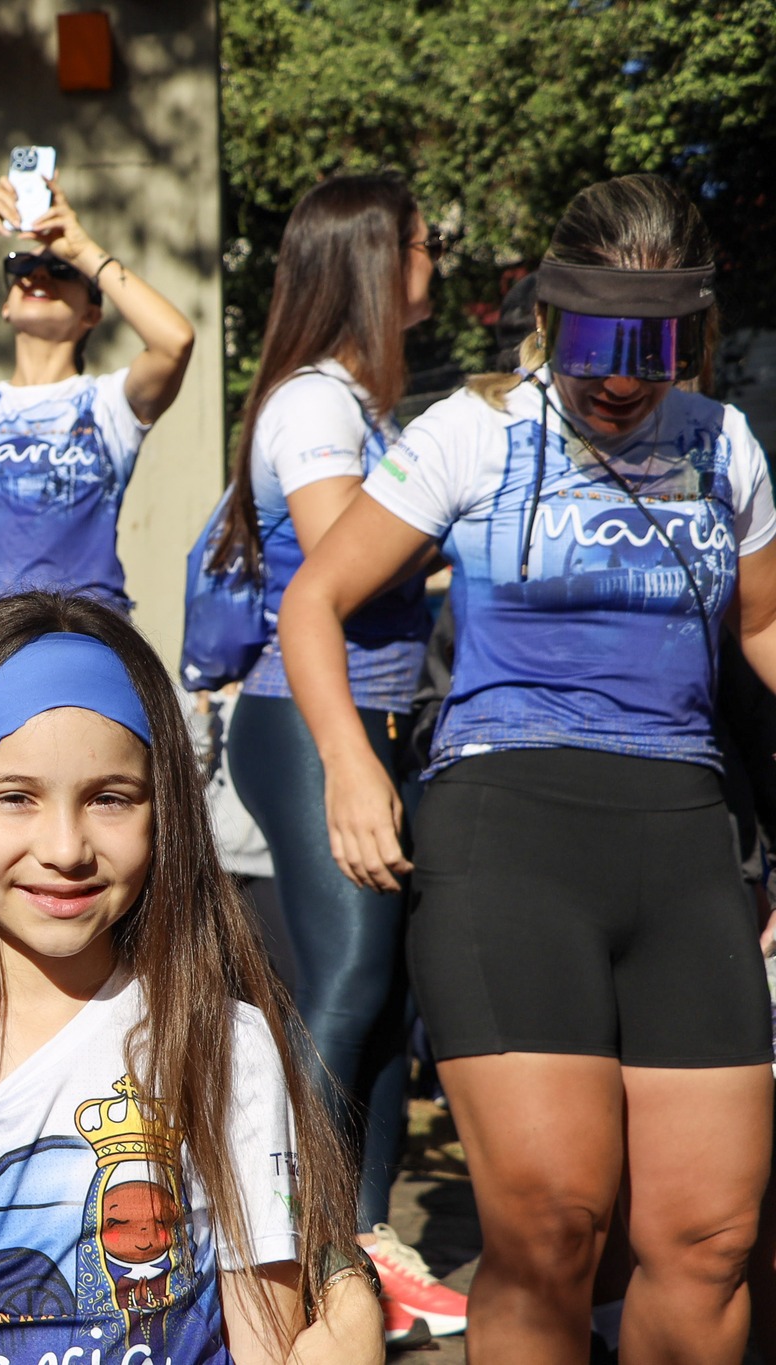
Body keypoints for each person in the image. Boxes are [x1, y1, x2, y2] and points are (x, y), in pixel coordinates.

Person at [280, 173, 775, 1364]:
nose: (620, 380)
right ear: (548, 317)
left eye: (654, 349)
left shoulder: (723, 445)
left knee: (706, 1238)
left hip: (685, 840)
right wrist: (348, 765)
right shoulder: (475, 430)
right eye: (596, 344)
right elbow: (313, 600)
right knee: (550, 1227)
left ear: (691, 336)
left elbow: (761, 625)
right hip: (508, 833)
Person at [0, 593, 381, 1365]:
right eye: (15, 797)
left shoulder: (221, 1048)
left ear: (163, 811)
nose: (66, 847)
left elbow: (265, 1342)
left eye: (109, 798)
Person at [208, 175, 462, 1339]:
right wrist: (467, 516)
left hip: (378, 722)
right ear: (374, 258)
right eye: (420, 243)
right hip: (312, 725)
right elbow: (336, 551)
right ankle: (294, 1250)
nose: (433, 261)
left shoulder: (359, 404)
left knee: (384, 991)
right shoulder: (311, 403)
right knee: (346, 986)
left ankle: (362, 1244)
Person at [0, 175, 193, 632]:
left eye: (62, 270)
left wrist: (82, 248)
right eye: (23, 266)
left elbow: (175, 341)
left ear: (92, 314)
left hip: (90, 641)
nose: (39, 274)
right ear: (6, 307)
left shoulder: (108, 405)